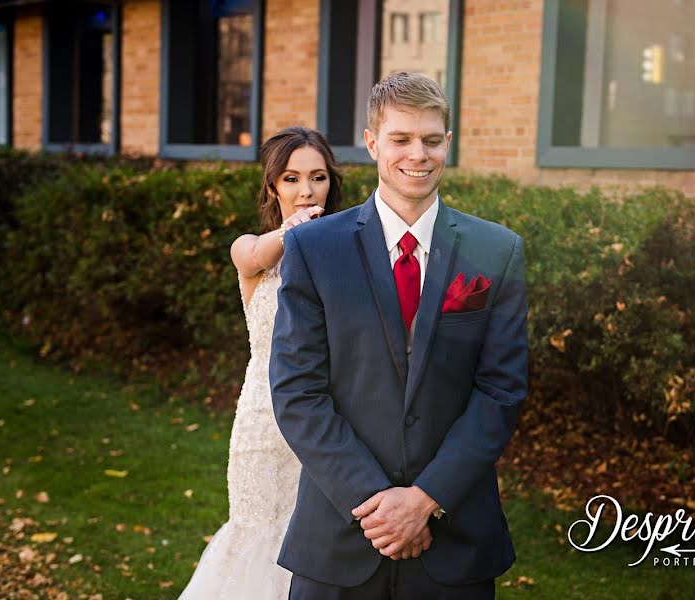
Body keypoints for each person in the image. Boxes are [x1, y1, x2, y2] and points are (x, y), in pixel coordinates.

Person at [270, 72, 528, 599]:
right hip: (340, 536)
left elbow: (501, 390)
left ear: (447, 144)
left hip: (454, 538)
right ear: (371, 143)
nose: (419, 154)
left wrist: (426, 498)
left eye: (432, 140)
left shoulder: (496, 250)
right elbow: (298, 391)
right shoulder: (315, 249)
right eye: (401, 139)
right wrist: (377, 504)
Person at [179, 126, 342, 599]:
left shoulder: (344, 251)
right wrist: (294, 231)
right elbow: (252, 255)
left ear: (331, 182)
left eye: (317, 178)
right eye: (291, 179)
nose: (306, 191)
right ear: (273, 186)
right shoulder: (251, 248)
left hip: (329, 420)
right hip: (263, 424)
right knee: (259, 534)